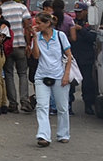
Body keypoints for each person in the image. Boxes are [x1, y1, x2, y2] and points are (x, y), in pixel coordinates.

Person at [30, 12, 73, 146]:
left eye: (39, 23)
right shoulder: (37, 37)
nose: (37, 25)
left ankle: (63, 133)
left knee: (62, 107)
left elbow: (69, 56)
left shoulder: (60, 36)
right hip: (42, 75)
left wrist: (66, 74)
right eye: (36, 23)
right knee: (42, 106)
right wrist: (34, 38)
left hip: (59, 75)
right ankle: (43, 135)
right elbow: (36, 56)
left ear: (48, 23)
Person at [0, 0, 33, 113]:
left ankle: (13, 104)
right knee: (23, 74)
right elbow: (27, 27)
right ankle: (24, 101)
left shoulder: (1, 9)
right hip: (21, 45)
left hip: (7, 47)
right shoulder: (22, 7)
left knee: (9, 74)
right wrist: (28, 44)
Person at [69, 1, 98, 114]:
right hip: (75, 56)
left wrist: (81, 29)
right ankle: (69, 105)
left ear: (86, 11)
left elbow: (92, 38)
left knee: (87, 84)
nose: (78, 14)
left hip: (86, 57)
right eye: (76, 12)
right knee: (71, 83)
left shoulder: (90, 24)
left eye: (80, 12)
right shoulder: (72, 22)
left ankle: (88, 105)